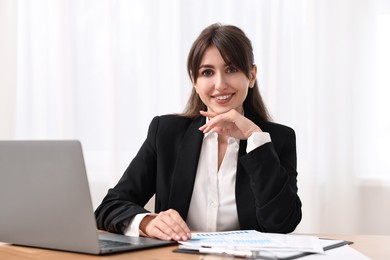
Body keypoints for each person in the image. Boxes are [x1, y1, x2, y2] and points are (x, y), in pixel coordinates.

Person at [95, 23, 302, 242]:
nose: (220, 84)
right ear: (195, 81)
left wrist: (256, 140)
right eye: (207, 72)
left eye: (231, 69)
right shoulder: (166, 133)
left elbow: (282, 224)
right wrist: (148, 222)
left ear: (251, 76)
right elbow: (109, 207)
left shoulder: (276, 139)